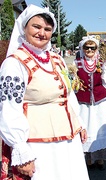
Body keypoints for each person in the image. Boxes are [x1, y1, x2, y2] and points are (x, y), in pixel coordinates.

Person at [0, 4, 89, 180]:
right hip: (39, 145)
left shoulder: (57, 59)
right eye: (37, 27)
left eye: (48, 29)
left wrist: (79, 123)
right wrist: (20, 148)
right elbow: (9, 108)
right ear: (24, 27)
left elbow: (68, 94)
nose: (42, 33)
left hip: (68, 142)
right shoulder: (14, 64)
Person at [74, 35, 106, 171]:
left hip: (100, 103)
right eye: (87, 47)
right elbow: (72, 84)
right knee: (85, 130)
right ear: (82, 48)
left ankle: (100, 159)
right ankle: (89, 159)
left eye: (93, 47)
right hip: (83, 103)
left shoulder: (101, 63)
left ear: (96, 49)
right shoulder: (76, 63)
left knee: (100, 129)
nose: (90, 50)